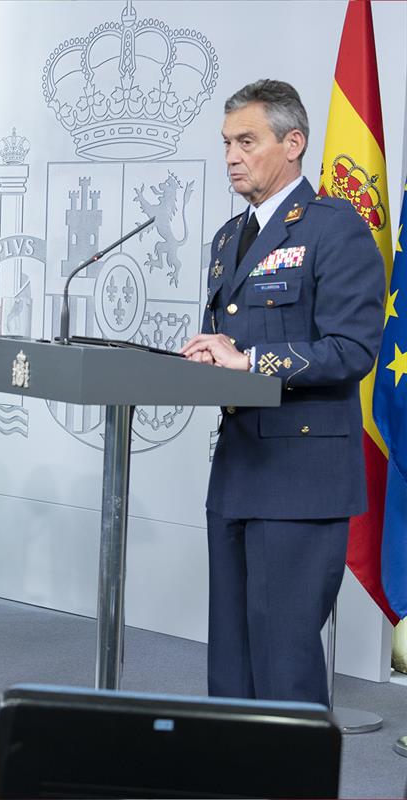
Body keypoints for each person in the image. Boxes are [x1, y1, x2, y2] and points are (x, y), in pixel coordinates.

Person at [181, 79, 384, 704]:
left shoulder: (334, 228)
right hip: (240, 463)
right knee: (233, 654)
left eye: (247, 140)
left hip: (301, 472)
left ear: (293, 143)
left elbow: (352, 349)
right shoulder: (225, 238)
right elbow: (231, 346)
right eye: (226, 143)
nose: (232, 156)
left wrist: (251, 360)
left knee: (284, 656)